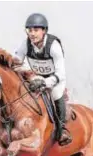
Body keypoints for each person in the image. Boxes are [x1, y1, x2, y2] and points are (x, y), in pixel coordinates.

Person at [13, 13, 72, 146]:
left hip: (54, 79)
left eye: (36, 30)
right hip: (35, 78)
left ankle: (62, 129)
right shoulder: (26, 44)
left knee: (56, 94)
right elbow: (16, 61)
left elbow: (60, 74)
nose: (32, 34)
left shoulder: (53, 46)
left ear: (44, 31)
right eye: (30, 30)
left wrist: (45, 82)